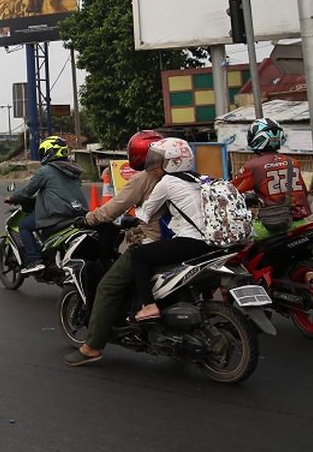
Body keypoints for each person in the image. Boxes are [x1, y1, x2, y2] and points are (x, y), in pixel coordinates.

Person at [63, 130, 165, 367]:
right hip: (183, 240)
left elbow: (114, 208)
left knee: (107, 287)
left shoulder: (146, 178)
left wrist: (88, 219)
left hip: (152, 240)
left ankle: (92, 347)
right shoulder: (179, 177)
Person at [129, 137, 211, 322]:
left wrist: (129, 217)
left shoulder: (167, 182)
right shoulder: (199, 178)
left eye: (158, 161)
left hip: (191, 241)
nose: (154, 165)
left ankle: (149, 305)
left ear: (172, 163)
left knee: (139, 256)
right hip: (213, 241)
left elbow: (145, 214)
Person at [4, 136, 86, 275]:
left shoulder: (46, 171)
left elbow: (27, 191)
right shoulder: (74, 170)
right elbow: (60, 191)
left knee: (24, 226)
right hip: (78, 214)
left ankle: (35, 261)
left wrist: (12, 197)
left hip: (56, 216)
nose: (41, 155)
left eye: (43, 152)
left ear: (50, 152)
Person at [232, 117, 311, 237]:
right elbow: (303, 192)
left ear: (255, 138)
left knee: (244, 244)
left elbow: (231, 191)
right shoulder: (292, 162)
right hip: (300, 223)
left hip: (271, 224)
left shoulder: (253, 166)